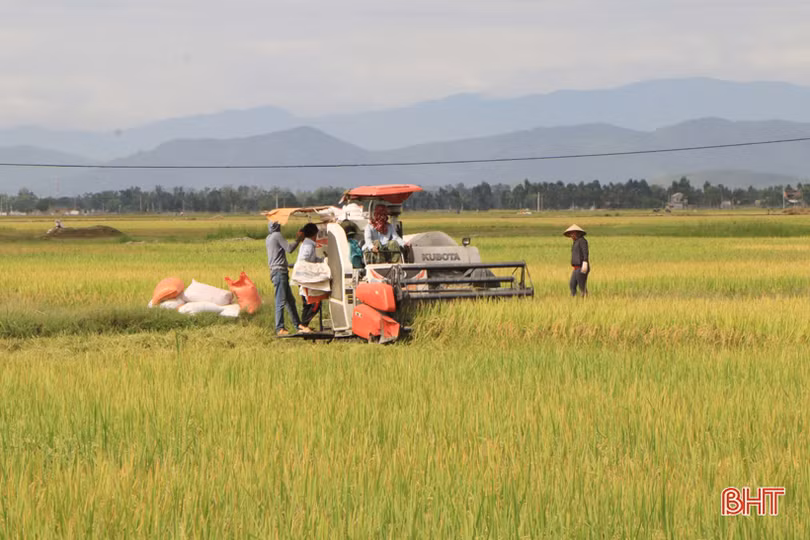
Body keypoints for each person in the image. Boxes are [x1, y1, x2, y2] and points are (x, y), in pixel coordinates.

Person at [266, 220, 311, 335]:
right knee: (280, 301)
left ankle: (298, 325)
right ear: (277, 226)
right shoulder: (277, 235)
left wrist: (291, 264)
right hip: (280, 273)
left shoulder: (269, 238)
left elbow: (278, 257)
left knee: (290, 301)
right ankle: (279, 328)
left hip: (277, 272)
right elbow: (289, 249)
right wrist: (298, 240)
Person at [296, 223, 324, 328]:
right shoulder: (309, 245)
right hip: (306, 278)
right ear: (314, 234)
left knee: (307, 304)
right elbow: (304, 259)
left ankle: (304, 326)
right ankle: (303, 325)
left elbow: (312, 259)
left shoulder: (307, 244)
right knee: (315, 304)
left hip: (304, 278)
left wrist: (322, 260)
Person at [563, 224, 590, 297]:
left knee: (582, 286)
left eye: (573, 233)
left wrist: (585, 262)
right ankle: (574, 300)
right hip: (576, 268)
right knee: (572, 284)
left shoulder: (582, 241)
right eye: (570, 233)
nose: (571, 235)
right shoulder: (575, 242)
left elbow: (585, 252)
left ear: (577, 233)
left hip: (582, 267)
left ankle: (585, 299)